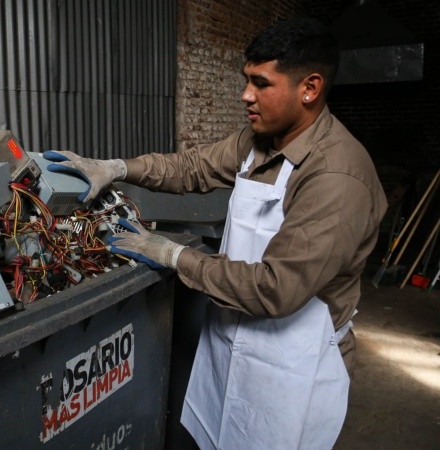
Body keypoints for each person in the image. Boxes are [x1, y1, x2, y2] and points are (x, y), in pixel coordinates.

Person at [44, 17, 387, 450]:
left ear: (310, 88)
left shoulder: (336, 176)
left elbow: (276, 289)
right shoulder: (260, 141)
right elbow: (192, 168)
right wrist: (116, 168)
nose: (246, 95)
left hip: (293, 365)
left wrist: (172, 255)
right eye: (246, 80)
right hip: (234, 340)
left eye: (261, 83)